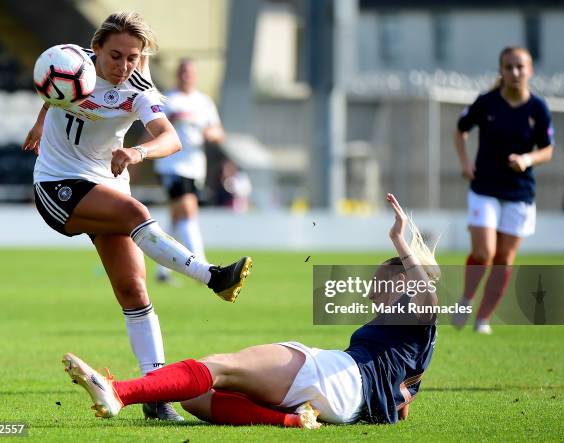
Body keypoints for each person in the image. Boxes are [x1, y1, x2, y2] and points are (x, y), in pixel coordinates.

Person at [22, 11, 252, 421]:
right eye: (115, 56)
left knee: (135, 292)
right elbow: (52, 89)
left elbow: (171, 137)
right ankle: (213, 276)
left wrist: (137, 151)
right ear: (95, 50)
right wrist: (41, 124)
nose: (123, 65)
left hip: (104, 188)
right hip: (58, 185)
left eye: (133, 57)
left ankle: (156, 399)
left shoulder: (138, 89)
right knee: (135, 211)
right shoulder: (69, 62)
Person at [62, 194, 440, 427]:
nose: (373, 293)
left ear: (402, 277)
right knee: (194, 397)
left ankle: (118, 392)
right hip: (343, 399)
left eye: (379, 282)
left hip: (337, 378)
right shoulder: (408, 342)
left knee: (219, 366)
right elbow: (401, 404)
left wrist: (398, 241)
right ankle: (291, 420)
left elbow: (428, 295)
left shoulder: (418, 313)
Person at [453, 46, 554, 334]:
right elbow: (460, 129)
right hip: (484, 187)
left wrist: (527, 159)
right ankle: (466, 299)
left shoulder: (538, 108)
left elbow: (548, 149)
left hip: (519, 193)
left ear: (530, 70)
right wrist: (465, 162)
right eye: (509, 67)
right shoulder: (487, 103)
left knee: (504, 259)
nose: (515, 72)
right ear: (501, 71)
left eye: (520, 67)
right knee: (484, 252)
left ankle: (483, 318)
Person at [153, 58, 225, 283]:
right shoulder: (168, 100)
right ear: (177, 74)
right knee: (188, 210)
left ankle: (162, 271)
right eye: (183, 72)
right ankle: (202, 268)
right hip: (171, 165)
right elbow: (152, 129)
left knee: (176, 220)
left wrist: (207, 134)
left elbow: (218, 132)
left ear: (195, 76)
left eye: (190, 72)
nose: (186, 76)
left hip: (195, 167)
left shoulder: (204, 102)